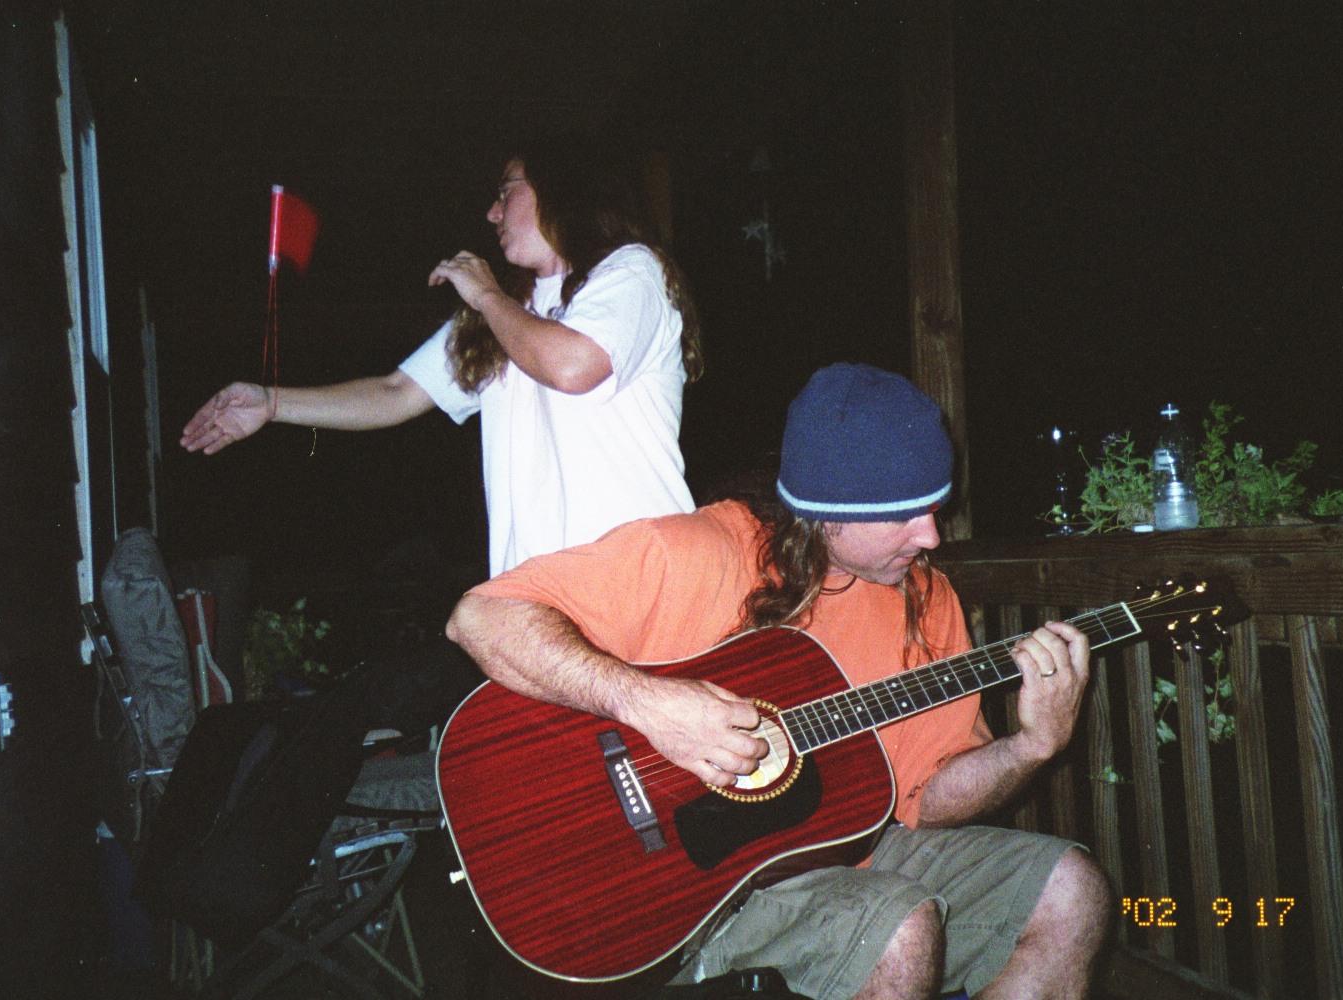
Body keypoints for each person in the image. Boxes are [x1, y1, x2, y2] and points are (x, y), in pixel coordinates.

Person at [446, 363, 1112, 999]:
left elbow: (927, 799)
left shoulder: (927, 603)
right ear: (826, 510)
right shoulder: (702, 554)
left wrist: (1030, 747)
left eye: (934, 508)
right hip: (687, 891)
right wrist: (649, 704)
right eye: (904, 513)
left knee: (1071, 890)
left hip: (846, 852)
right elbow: (481, 618)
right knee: (898, 929)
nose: (932, 536)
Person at [179, 140, 703, 576]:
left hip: (639, 576)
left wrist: (485, 297)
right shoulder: (503, 314)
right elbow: (395, 393)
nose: (492, 213)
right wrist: (270, 403)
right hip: (545, 599)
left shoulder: (632, 272)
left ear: (561, 189)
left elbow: (573, 366)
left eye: (505, 193)